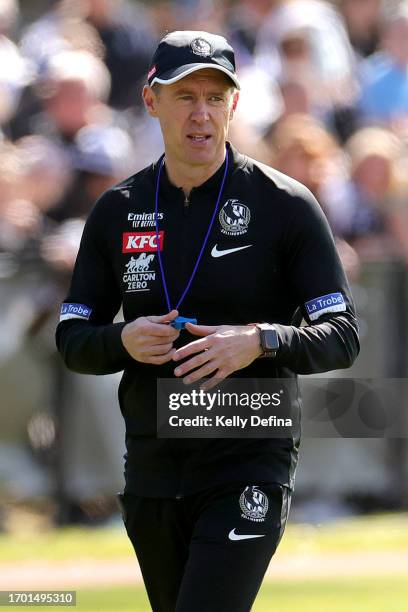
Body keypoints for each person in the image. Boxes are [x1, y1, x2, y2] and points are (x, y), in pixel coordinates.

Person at [56, 30, 359, 612]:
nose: (202, 114)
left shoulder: (285, 204)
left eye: (216, 98)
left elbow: (342, 337)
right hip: (153, 463)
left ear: (234, 104)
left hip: (250, 452)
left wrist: (260, 341)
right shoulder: (118, 208)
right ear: (151, 101)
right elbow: (73, 340)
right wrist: (122, 340)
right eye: (185, 96)